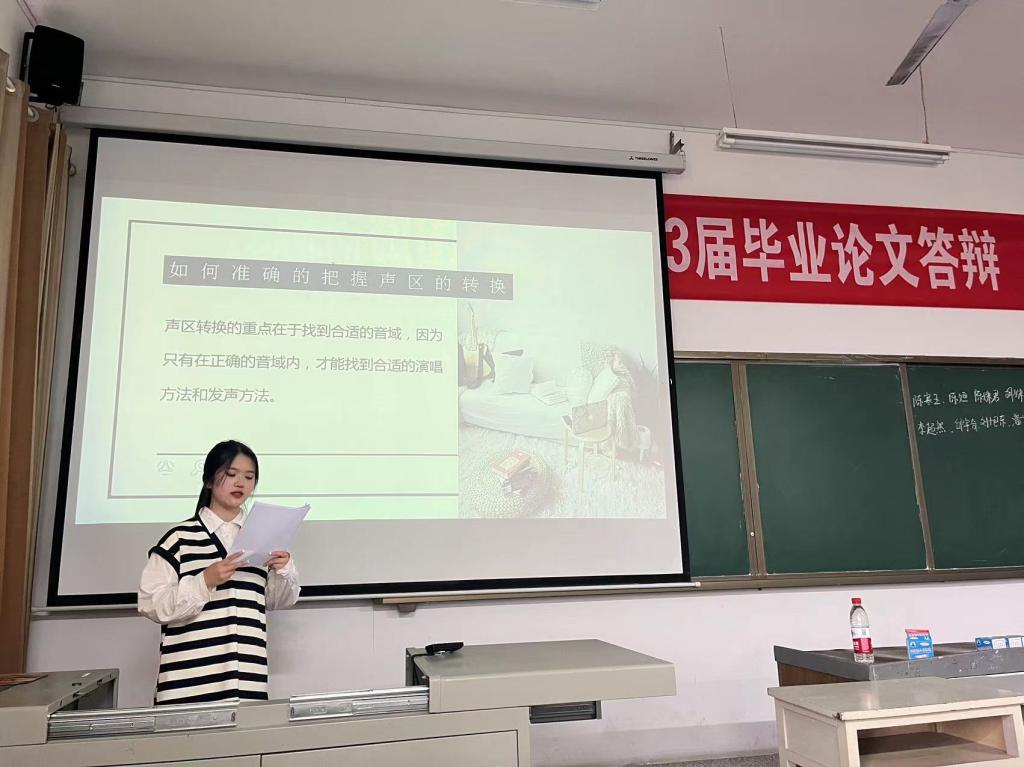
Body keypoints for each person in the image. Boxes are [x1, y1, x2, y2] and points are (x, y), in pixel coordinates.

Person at [138, 440, 300, 704]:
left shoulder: (264, 539)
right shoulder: (179, 538)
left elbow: (275, 601)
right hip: (189, 685)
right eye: (231, 474)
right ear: (209, 480)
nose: (241, 483)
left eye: (249, 477)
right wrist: (204, 581)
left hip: (247, 681)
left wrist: (284, 570)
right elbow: (150, 604)